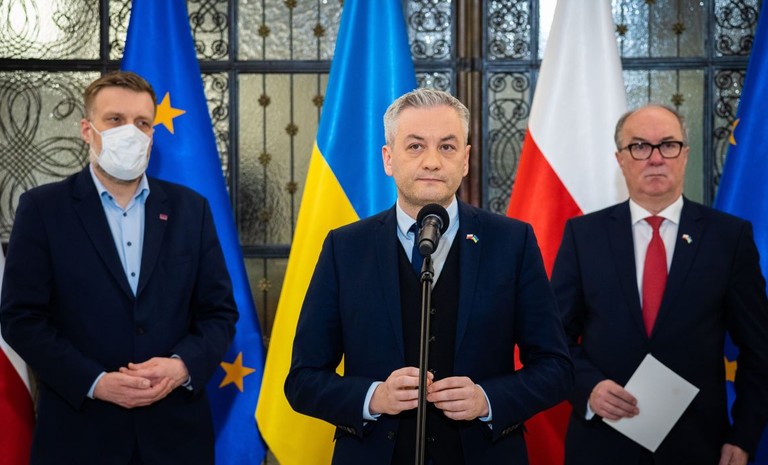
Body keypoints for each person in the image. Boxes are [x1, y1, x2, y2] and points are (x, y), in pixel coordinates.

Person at [284, 88, 573, 465]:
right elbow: (303, 380)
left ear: (465, 160)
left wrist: (486, 400)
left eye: (447, 147)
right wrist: (374, 398)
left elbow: (556, 369)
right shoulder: (345, 248)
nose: (432, 162)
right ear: (388, 158)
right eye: (415, 146)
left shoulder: (512, 242)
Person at [0, 71, 238, 464]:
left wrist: (181, 367)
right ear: (87, 129)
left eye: (142, 123)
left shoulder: (190, 209)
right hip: (80, 436)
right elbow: (21, 319)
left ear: (152, 135)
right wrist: (94, 382)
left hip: (176, 439)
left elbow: (219, 313)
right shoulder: (43, 209)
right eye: (115, 119)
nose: (130, 132)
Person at [551, 104, 768, 465]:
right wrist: (588, 388)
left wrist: (744, 437)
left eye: (668, 145)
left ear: (685, 154)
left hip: (699, 446)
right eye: (639, 146)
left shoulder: (728, 238)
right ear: (620, 159)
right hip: (602, 445)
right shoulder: (583, 236)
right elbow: (554, 339)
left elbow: (759, 349)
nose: (655, 158)